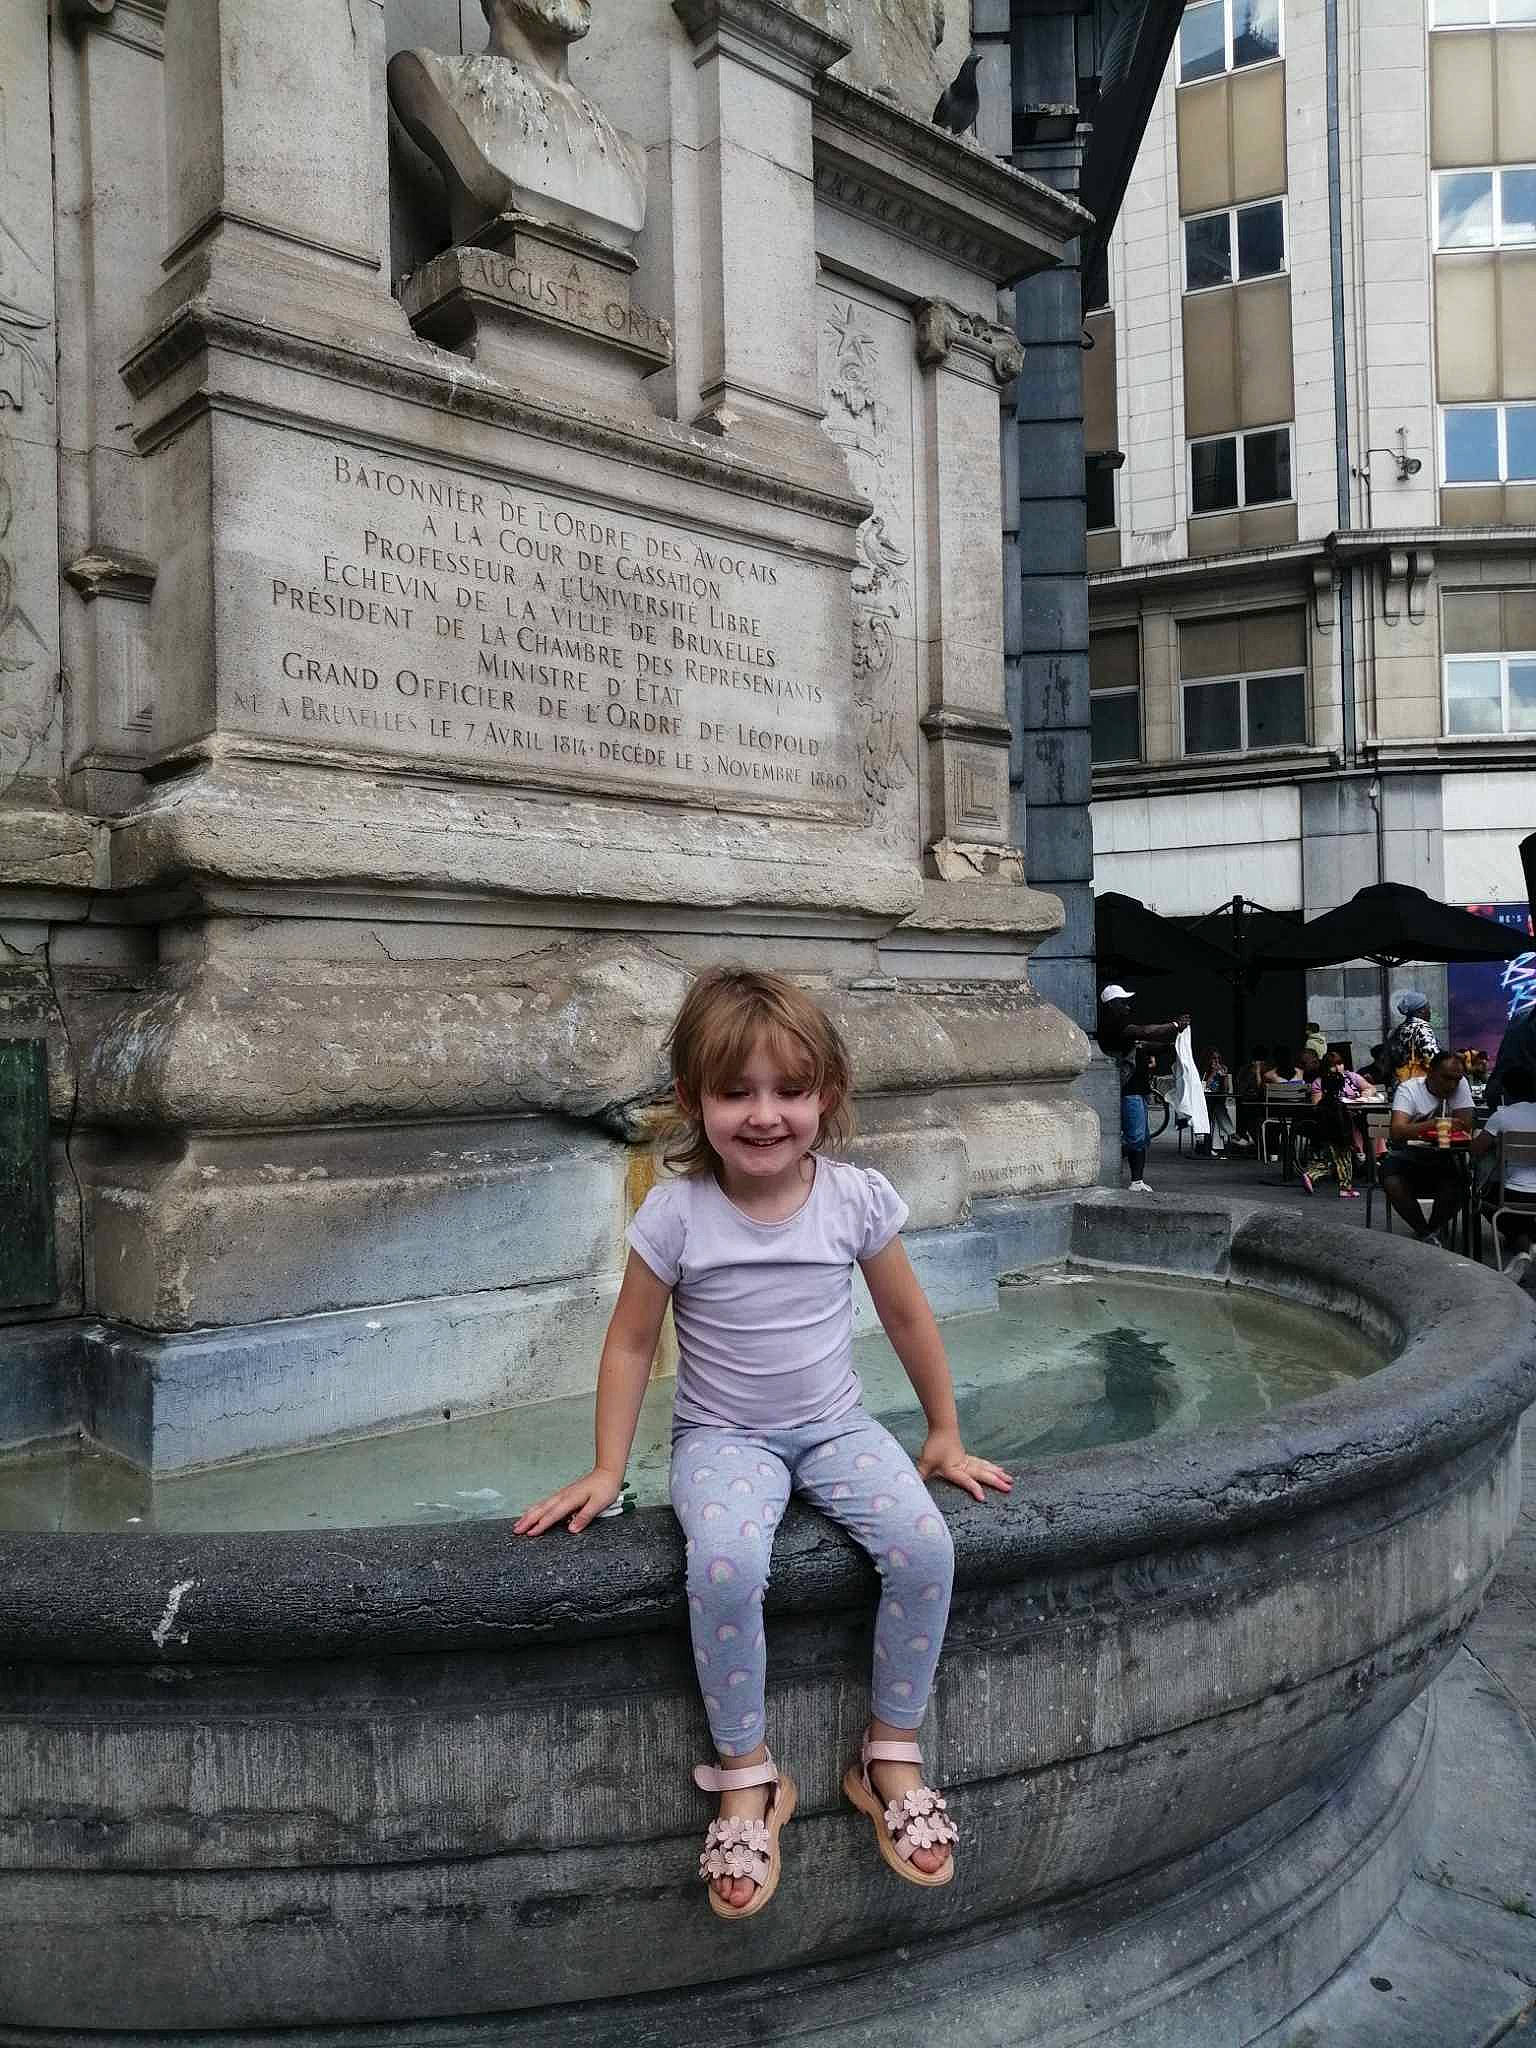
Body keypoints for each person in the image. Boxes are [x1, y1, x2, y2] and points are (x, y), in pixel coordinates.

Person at [515, 967, 1009, 1917]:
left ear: (829, 1094)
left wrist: (943, 1433)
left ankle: (890, 1754)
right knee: (727, 1566)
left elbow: (908, 1317)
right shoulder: (676, 1213)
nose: (764, 1114)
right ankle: (748, 1776)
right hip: (723, 1439)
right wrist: (610, 1468)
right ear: (692, 1099)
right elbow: (629, 1341)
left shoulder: (854, 1199)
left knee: (924, 1547)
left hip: (837, 1429)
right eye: (736, 1091)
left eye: (790, 1090)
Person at [1096, 984, 1189, 1193]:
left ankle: (1136, 1180)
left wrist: (1172, 1046)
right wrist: (1174, 1025)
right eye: (1123, 1002)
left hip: (1138, 1090)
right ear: (1111, 1005)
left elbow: (1144, 1043)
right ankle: (1120, 1173)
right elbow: (1145, 1032)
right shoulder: (1113, 1027)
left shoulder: (1123, 1028)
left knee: (1141, 1138)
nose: (1127, 1006)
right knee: (1136, 1138)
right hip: (1129, 1091)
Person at [1380, 1051, 1475, 1247]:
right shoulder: (1409, 1089)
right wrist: (1433, 1124)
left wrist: (1418, 1129)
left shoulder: (1459, 1084)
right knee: (1391, 1179)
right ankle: (1425, 1232)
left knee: (1461, 1182)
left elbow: (1465, 1125)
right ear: (1431, 1073)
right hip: (1408, 1157)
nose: (1452, 1085)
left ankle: (1431, 1231)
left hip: (1445, 1156)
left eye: (1456, 1080)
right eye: (1446, 1078)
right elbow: (1397, 1131)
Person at [1472, 1063, 1536, 1278]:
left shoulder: (1501, 1116)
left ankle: (1524, 1247)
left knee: (1485, 1203)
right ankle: (1529, 1243)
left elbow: (1476, 1150)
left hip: (1512, 1194)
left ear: (1505, 1091)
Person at [1301, 1066, 1360, 1198]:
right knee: (1345, 1163)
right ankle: (1346, 1188)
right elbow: (1344, 1126)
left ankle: (1311, 1175)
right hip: (1340, 1139)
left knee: (1331, 1163)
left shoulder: (1322, 1103)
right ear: (1341, 1087)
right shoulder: (1339, 1106)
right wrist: (1350, 1141)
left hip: (1326, 1138)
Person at [1385, 990, 1439, 1083]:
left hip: (1400, 1081)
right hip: (1417, 1083)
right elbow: (1432, 1057)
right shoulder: (1421, 1027)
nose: (1430, 1011)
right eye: (1428, 1008)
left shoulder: (1398, 1029)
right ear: (1420, 1011)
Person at [1198, 1048, 1234, 1156]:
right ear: (1208, 1059)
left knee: (1218, 1107)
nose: (1217, 1061)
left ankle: (1212, 1145)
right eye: (1214, 1058)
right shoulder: (1204, 1071)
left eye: (1218, 1058)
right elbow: (1204, 1087)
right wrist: (1213, 1073)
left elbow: (1226, 1090)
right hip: (1204, 1100)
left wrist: (1225, 1076)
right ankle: (1232, 1134)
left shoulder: (1222, 1069)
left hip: (1217, 1099)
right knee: (1217, 1109)